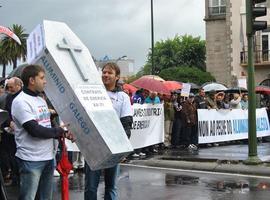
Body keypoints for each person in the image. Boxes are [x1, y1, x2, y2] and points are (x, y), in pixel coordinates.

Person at [11, 64, 73, 200]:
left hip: (48, 158)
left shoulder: (40, 100)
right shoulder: (20, 102)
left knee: (45, 197)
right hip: (31, 160)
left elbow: (46, 124)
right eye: (42, 78)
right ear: (32, 80)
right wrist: (59, 131)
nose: (45, 81)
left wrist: (63, 133)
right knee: (28, 197)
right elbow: (34, 130)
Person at [84, 62, 133, 200]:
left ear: (117, 77)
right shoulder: (93, 92)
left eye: (109, 73)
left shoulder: (123, 97)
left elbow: (127, 124)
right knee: (91, 187)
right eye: (104, 72)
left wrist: (122, 149)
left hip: (114, 146)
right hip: (93, 146)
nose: (105, 75)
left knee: (111, 187)